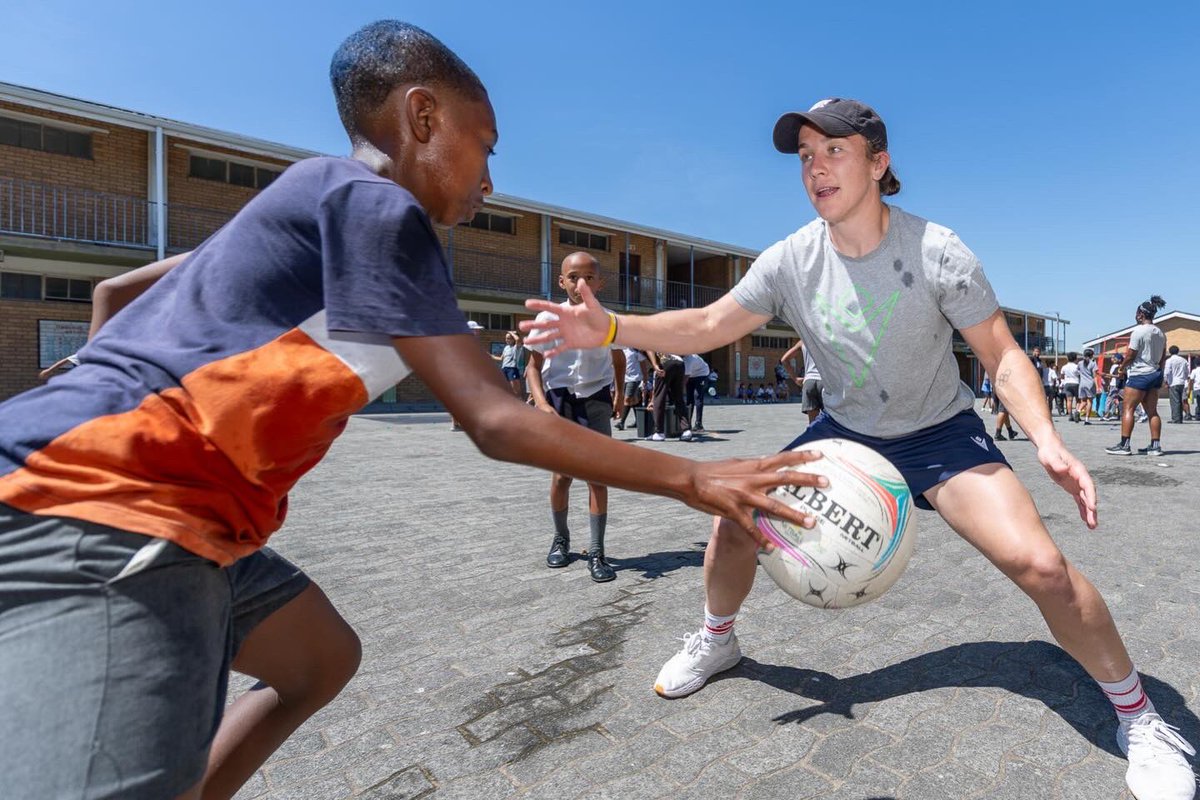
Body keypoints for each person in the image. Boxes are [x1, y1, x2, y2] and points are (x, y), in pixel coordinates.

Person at [0, 22, 829, 800]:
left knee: (320, 661)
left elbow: (115, 290)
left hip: (184, 511)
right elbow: (494, 419)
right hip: (118, 508)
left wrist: (93, 386)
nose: (492, 179)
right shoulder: (377, 205)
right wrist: (697, 476)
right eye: (486, 147)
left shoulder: (318, 197)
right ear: (422, 116)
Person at [521, 98, 1195, 799]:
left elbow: (1001, 353)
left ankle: (1140, 718)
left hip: (939, 433)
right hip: (843, 433)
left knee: (1042, 566)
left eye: (833, 151)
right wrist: (609, 330)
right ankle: (718, 638)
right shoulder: (790, 260)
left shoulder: (937, 249)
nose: (816, 167)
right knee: (731, 519)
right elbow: (709, 323)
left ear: (879, 162)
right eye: (806, 156)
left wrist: (1048, 441)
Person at [526, 252, 626, 582]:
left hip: (595, 401)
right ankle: (561, 540)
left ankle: (597, 552)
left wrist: (620, 394)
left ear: (600, 283)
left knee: (597, 478)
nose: (579, 283)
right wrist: (541, 403)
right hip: (560, 401)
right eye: (572, 277)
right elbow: (533, 367)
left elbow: (619, 360)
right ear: (561, 281)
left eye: (588, 277)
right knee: (561, 476)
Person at [1106, 297, 1168, 456]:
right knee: (1152, 411)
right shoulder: (1160, 333)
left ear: (1141, 314)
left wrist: (1122, 367)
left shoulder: (1138, 332)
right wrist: (1159, 373)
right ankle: (1155, 446)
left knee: (1128, 408)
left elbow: (1131, 354)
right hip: (1154, 374)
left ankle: (1124, 445)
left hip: (1139, 374)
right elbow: (1162, 356)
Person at [644, 350, 692, 441]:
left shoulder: (641, 341)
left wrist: (655, 365)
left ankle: (659, 433)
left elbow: (649, 349)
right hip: (679, 362)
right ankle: (686, 430)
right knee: (678, 397)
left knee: (659, 398)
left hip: (665, 363)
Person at [614, 347, 648, 431]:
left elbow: (643, 366)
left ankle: (621, 422)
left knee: (627, 399)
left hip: (634, 379)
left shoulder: (636, 353)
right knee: (634, 401)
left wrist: (645, 379)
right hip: (624, 379)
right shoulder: (621, 351)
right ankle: (639, 421)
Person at [683, 353, 711, 432]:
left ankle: (699, 424)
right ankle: (687, 423)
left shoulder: (690, 359)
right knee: (689, 399)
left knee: (698, 397)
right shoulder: (679, 358)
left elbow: (685, 379)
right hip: (691, 375)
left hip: (701, 373)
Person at [493, 330, 525, 398]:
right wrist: (491, 356)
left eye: (508, 338)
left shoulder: (516, 346)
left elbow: (518, 339)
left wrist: (511, 333)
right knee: (505, 388)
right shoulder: (506, 347)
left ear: (513, 339)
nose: (506, 340)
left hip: (512, 369)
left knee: (515, 389)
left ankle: (519, 403)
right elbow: (501, 358)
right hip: (504, 369)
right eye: (506, 338)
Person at [1163, 345, 1189, 425]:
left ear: (1170, 352)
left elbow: (1167, 372)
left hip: (1173, 382)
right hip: (1182, 382)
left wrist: (1166, 381)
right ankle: (1180, 418)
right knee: (1181, 401)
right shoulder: (1183, 360)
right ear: (1178, 351)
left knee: (1175, 401)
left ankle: (1176, 419)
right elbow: (1186, 372)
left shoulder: (1169, 361)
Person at [1077, 348, 1098, 425]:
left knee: (1083, 401)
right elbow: (1095, 376)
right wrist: (1098, 386)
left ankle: (1078, 411)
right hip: (1090, 384)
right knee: (1089, 402)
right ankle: (1087, 419)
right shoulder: (1093, 363)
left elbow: (1077, 372)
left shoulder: (1080, 363)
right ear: (1092, 355)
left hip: (1082, 384)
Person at [1060, 353, 1080, 422]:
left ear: (1067, 358)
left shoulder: (1064, 367)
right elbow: (1079, 375)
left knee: (1069, 400)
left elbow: (1062, 376)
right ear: (1075, 358)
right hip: (1076, 383)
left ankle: (1070, 415)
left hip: (1067, 383)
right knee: (1078, 400)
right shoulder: (1077, 366)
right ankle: (1077, 413)